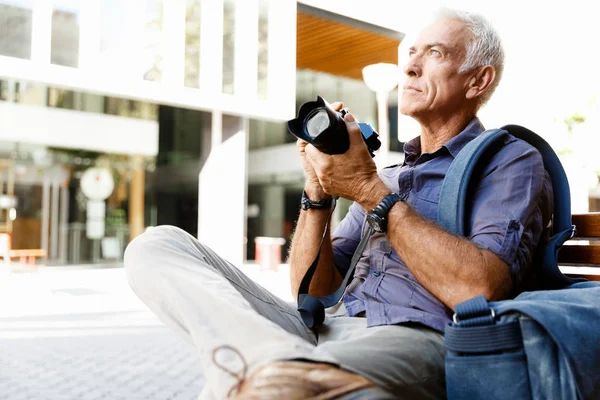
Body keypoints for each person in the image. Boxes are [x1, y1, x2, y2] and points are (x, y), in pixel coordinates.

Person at [124, 7, 552, 400]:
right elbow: (314, 291)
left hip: (417, 338)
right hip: (321, 331)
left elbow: (479, 290)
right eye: (411, 53)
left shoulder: (509, 159)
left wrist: (368, 191)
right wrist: (318, 191)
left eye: (434, 53)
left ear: (478, 79)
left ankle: (277, 372)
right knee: (156, 247)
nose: (409, 66)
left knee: (265, 388)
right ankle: (278, 363)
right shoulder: (386, 174)